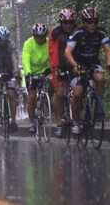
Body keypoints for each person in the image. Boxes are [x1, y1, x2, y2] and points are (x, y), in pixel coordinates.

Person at [64, 7, 110, 135]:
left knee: (100, 78)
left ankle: (97, 105)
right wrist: (75, 65)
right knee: (78, 93)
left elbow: (108, 49)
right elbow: (67, 52)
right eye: (89, 22)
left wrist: (109, 64)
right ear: (84, 22)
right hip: (78, 65)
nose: (93, 25)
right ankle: (75, 121)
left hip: (93, 63)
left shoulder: (101, 32)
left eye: (95, 22)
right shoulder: (77, 33)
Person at [49, 8, 77, 138]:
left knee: (79, 91)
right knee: (59, 94)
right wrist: (55, 68)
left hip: (75, 65)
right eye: (65, 23)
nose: (68, 25)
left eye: (71, 23)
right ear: (61, 23)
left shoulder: (78, 32)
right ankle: (59, 124)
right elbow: (53, 52)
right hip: (60, 66)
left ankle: (77, 119)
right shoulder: (56, 33)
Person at [22, 23, 52, 135]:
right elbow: (26, 59)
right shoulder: (28, 43)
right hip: (32, 71)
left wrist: (54, 69)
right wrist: (29, 73)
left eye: (42, 37)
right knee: (32, 96)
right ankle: (31, 123)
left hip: (45, 69)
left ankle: (48, 102)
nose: (40, 39)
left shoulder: (49, 42)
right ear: (34, 36)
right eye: (38, 37)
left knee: (54, 82)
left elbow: (53, 57)